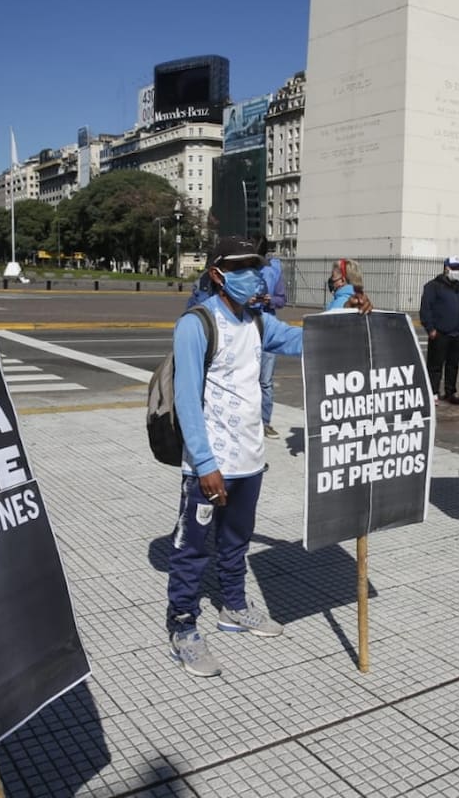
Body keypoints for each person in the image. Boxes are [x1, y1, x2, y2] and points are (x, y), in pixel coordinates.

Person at [167, 236, 369, 677]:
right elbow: (186, 400)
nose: (253, 276)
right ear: (218, 275)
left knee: (236, 540)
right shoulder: (196, 324)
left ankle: (234, 607)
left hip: (249, 459)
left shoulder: (258, 322)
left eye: (256, 266)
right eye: (241, 268)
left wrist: (349, 313)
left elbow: (305, 340)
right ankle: (183, 626)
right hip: (210, 464)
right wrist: (204, 465)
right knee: (192, 549)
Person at [420, 256, 459, 404]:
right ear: (446, 268)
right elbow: (426, 309)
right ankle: (433, 392)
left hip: (457, 333)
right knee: (435, 365)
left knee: (453, 364)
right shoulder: (433, 286)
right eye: (454, 268)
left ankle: (451, 392)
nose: (457, 271)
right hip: (440, 332)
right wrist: (430, 329)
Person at [256, 244, 287, 439]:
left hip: (268, 329)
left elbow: (282, 299)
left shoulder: (274, 270)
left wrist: (270, 300)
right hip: (247, 326)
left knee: (265, 381)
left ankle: (265, 422)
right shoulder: (243, 269)